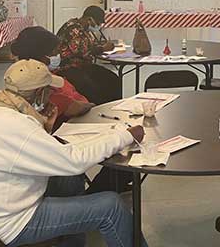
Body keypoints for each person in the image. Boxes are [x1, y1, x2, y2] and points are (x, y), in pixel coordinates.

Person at [0, 59, 148, 247]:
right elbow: (74, 160)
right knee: (111, 206)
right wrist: (125, 136)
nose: (52, 95)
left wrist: (44, 127)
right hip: (6, 225)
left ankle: (72, 243)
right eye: (50, 91)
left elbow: (28, 153)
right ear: (40, 93)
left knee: (69, 180)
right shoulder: (19, 127)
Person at [11, 26, 132, 195]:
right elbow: (77, 105)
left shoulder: (20, 78)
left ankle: (105, 189)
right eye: (53, 53)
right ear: (43, 57)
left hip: (66, 135)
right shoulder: (43, 88)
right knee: (124, 143)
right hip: (65, 143)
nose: (56, 56)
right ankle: (98, 194)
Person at [55, 6, 121, 105]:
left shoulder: (83, 28)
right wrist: (103, 48)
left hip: (82, 65)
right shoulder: (73, 29)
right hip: (69, 67)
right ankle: (96, 109)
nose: (98, 26)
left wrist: (101, 46)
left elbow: (88, 44)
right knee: (90, 87)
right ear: (89, 19)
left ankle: (112, 106)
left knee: (112, 79)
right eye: (98, 23)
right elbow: (81, 51)